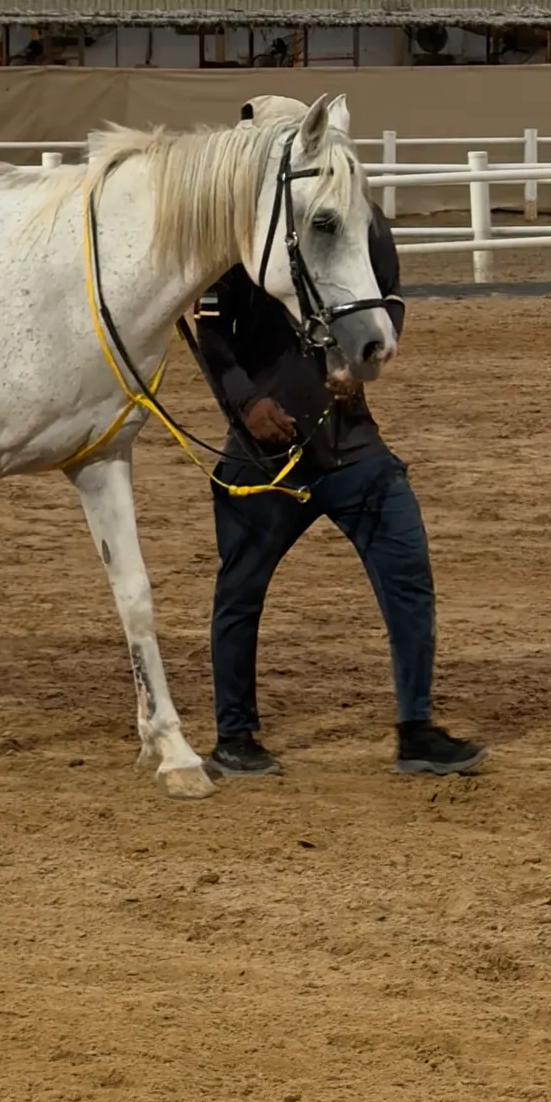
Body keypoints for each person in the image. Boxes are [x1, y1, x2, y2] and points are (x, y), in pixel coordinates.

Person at [187, 103, 486, 781]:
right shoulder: (232, 237)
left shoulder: (361, 221)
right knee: (239, 591)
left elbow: (389, 300)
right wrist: (247, 406)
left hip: (350, 441)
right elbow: (211, 333)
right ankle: (234, 734)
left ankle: (416, 729)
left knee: (408, 574)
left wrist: (365, 365)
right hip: (264, 452)